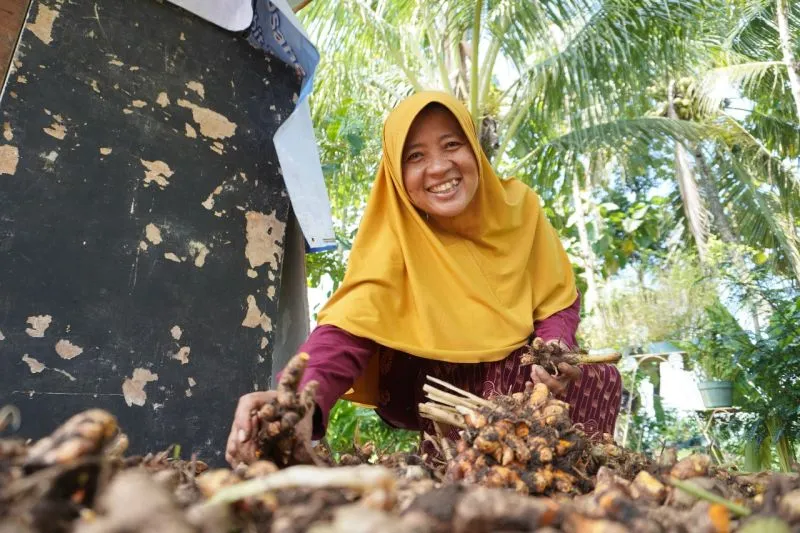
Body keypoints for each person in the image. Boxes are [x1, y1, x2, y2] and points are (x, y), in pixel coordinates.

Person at [225, 91, 621, 466]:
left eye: (452, 145)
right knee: (499, 378)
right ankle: (466, 478)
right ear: (397, 174)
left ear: (474, 149)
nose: (439, 167)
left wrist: (554, 354)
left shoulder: (521, 209)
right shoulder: (396, 239)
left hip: (527, 381)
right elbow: (347, 331)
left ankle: (580, 478)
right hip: (451, 395)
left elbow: (556, 301)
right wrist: (294, 402)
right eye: (415, 156)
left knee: (597, 376)